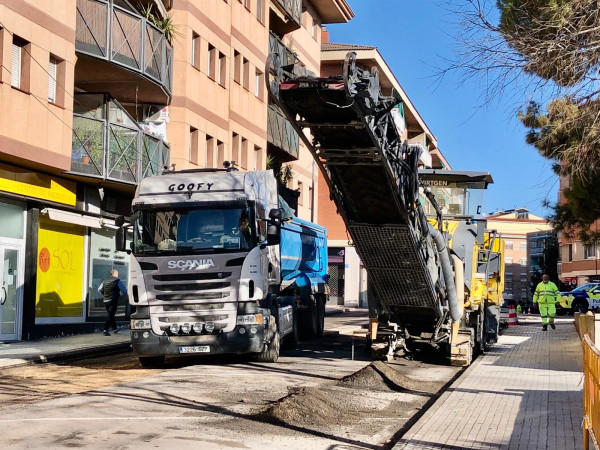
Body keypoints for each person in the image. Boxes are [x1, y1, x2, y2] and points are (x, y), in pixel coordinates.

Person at [97, 268, 128, 336]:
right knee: (110, 315)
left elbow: (99, 289)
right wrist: (127, 296)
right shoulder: (117, 281)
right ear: (115, 274)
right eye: (117, 273)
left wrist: (104, 294)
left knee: (111, 315)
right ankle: (105, 330)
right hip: (113, 300)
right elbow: (124, 291)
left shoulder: (104, 281)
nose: (118, 275)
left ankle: (115, 329)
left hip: (105, 300)